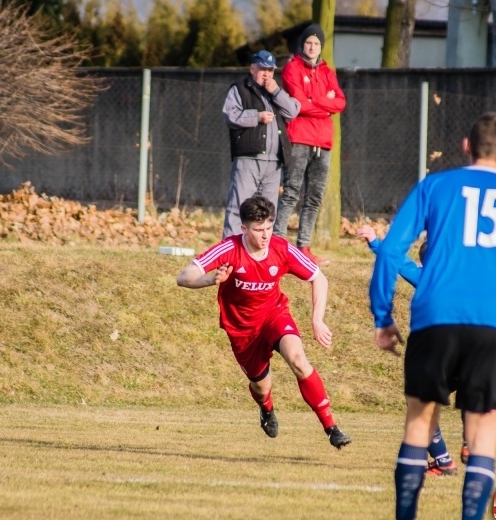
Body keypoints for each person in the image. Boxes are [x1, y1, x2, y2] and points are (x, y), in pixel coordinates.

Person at [368, 112, 496, 520]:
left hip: (433, 321)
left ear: (465, 147)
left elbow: (390, 251)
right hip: (493, 327)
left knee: (419, 425)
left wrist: (382, 316)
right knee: (481, 440)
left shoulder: (434, 187)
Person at [177, 195, 351, 449]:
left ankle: (331, 428)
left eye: (269, 228)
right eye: (258, 230)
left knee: (299, 360)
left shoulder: (281, 249)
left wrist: (317, 319)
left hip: (274, 316)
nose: (265, 235)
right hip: (242, 330)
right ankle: (266, 409)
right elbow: (184, 276)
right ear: (244, 228)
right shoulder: (229, 249)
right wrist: (211, 280)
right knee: (261, 387)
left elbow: (319, 278)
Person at [358, 226, 459, 476]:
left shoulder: (425, 277)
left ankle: (445, 461)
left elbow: (397, 261)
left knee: (421, 403)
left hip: (438, 352)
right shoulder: (459, 279)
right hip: (467, 353)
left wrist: (374, 241)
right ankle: (444, 459)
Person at [274, 23, 346, 266]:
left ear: (321, 47)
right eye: (308, 43)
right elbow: (298, 103)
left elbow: (341, 103)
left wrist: (314, 101)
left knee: (314, 197)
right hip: (299, 139)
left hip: (323, 141)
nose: (312, 47)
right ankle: (278, 243)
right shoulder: (292, 68)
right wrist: (324, 102)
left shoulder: (328, 72)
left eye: (316, 43)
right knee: (291, 192)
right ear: (302, 45)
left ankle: (303, 248)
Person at [222, 50, 300, 239]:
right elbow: (229, 115)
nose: (267, 74)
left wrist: (276, 91)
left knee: (267, 212)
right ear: (252, 69)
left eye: (271, 70)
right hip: (248, 159)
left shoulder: (276, 92)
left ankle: (260, 259)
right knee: (238, 208)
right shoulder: (239, 88)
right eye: (262, 69)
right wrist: (256, 117)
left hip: (273, 162)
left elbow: (292, 112)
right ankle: (229, 261)